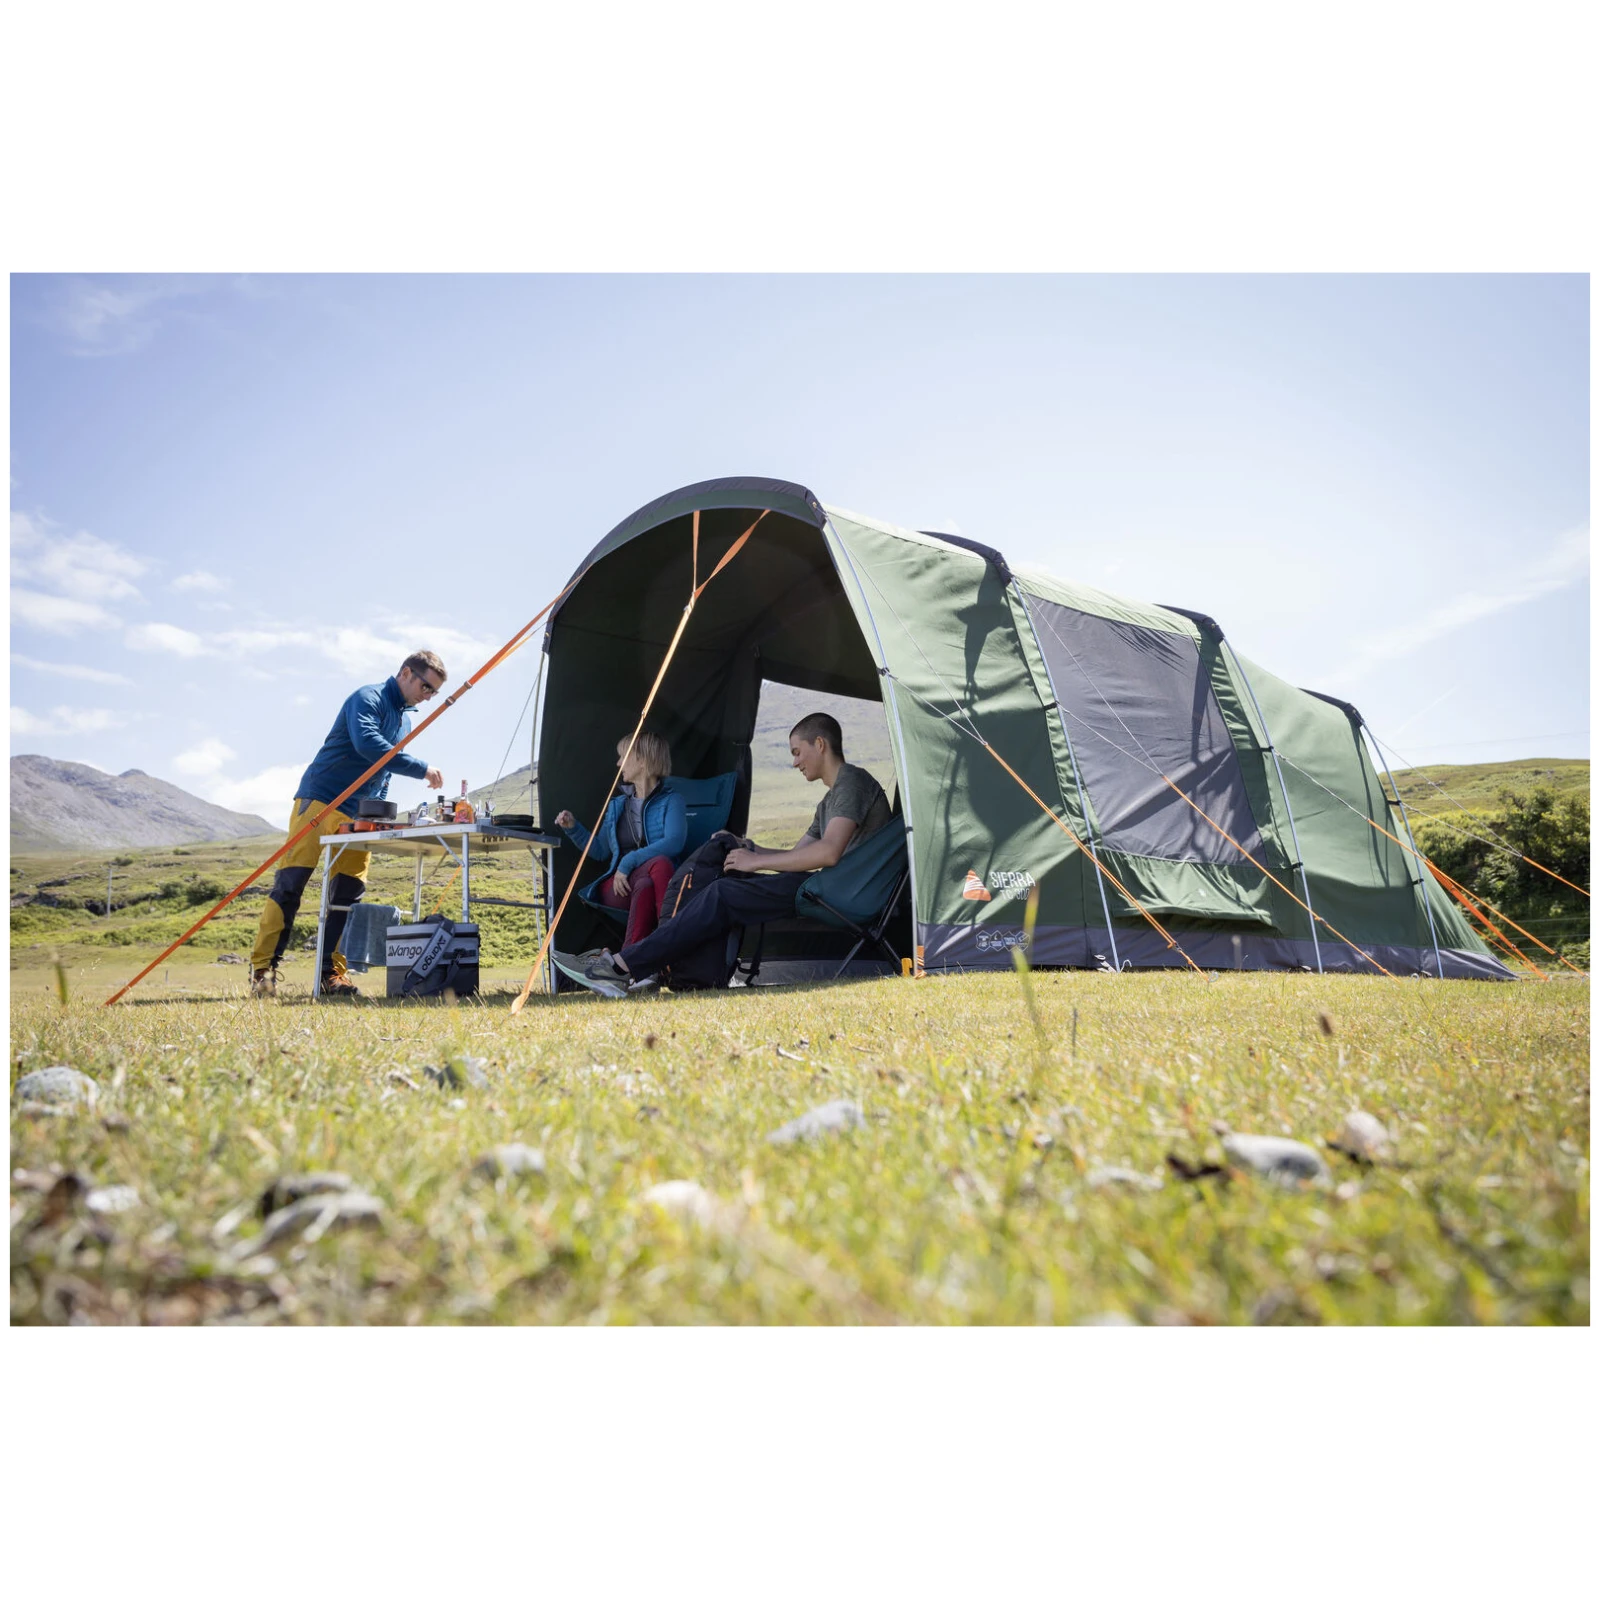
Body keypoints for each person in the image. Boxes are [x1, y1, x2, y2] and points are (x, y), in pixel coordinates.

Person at [555, 711, 890, 997]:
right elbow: (798, 855)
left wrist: (756, 862)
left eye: (797, 752)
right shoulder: (829, 801)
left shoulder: (851, 783)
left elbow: (828, 854)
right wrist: (746, 847)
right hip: (825, 888)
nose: (794, 762)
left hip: (842, 894)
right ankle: (640, 967)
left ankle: (621, 966)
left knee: (722, 894)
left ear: (820, 744)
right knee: (722, 886)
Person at [249, 652, 447, 998]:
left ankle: (331, 975)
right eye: (426, 686)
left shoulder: (404, 722)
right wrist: (421, 769)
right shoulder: (367, 698)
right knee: (290, 887)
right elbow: (367, 744)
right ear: (405, 672)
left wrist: (374, 813)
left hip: (359, 818)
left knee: (347, 897)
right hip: (320, 800)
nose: (428, 697)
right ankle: (263, 973)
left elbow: (383, 773)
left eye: (434, 692)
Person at [553, 731, 686, 948]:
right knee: (659, 865)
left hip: (653, 882)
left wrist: (628, 861)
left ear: (642, 760)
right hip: (619, 885)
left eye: (623, 756)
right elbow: (600, 851)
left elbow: (675, 842)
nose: (618, 763)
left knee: (647, 882)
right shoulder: (617, 806)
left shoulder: (672, 801)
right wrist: (573, 829)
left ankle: (633, 960)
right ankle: (672, 942)